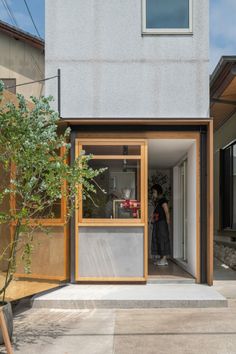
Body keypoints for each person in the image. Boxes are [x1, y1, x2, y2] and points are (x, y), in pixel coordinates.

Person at [151, 184, 171, 266]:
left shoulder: (163, 200)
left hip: (162, 223)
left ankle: (164, 259)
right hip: (157, 223)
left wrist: (167, 222)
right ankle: (161, 258)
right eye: (153, 192)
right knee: (158, 239)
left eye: (154, 192)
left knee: (163, 239)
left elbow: (166, 212)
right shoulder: (157, 201)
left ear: (158, 192)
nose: (153, 194)